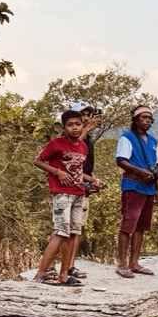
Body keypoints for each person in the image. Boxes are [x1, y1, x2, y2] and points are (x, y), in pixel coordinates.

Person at [32, 111, 99, 286]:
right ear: (64, 127)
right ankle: (41, 273)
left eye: (77, 124)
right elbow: (38, 161)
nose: (74, 128)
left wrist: (91, 182)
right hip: (62, 193)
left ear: (82, 125)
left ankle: (64, 274)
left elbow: (78, 171)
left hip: (78, 193)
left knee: (72, 233)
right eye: (70, 125)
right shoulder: (56, 144)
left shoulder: (83, 147)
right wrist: (57, 172)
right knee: (60, 233)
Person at [115, 104, 158, 278]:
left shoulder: (153, 141)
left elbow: (157, 166)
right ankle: (122, 263)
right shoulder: (127, 137)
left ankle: (134, 262)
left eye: (150, 118)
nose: (147, 121)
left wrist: (157, 188)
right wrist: (141, 171)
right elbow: (121, 161)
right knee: (128, 224)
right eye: (144, 118)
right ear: (136, 120)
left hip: (148, 187)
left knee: (141, 226)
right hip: (133, 185)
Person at [66, 101, 105, 276]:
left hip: (82, 188)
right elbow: (69, 155)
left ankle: (70, 265)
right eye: (83, 114)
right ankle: (55, 266)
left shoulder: (88, 140)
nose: (87, 118)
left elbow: (84, 166)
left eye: (89, 114)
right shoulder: (68, 137)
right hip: (67, 189)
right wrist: (86, 130)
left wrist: (92, 181)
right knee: (62, 229)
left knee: (77, 229)